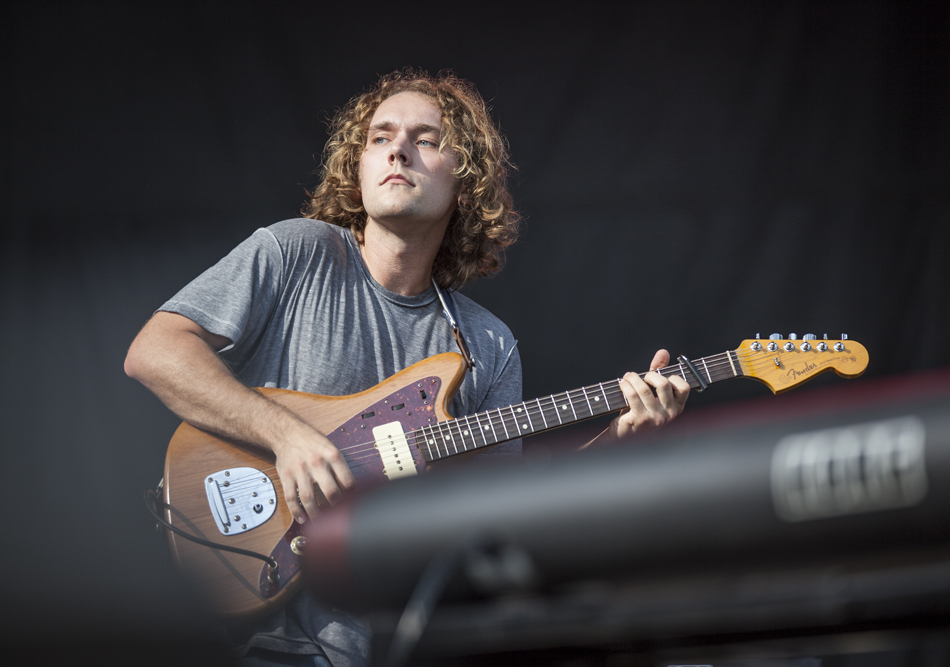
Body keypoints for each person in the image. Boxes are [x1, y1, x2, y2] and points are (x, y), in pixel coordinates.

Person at [124, 69, 691, 666]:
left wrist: (618, 439)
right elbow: (154, 351)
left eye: (426, 140)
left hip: (373, 646)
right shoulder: (295, 254)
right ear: (359, 165)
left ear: (465, 181)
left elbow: (502, 517)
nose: (397, 148)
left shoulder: (485, 345)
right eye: (379, 137)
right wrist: (287, 436)